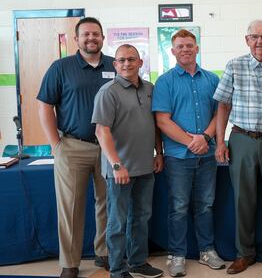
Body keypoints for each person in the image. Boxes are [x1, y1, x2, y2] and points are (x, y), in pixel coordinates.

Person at [213, 20, 262, 275]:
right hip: (242, 140)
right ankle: (244, 254)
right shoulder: (234, 66)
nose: (259, 41)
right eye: (254, 37)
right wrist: (219, 142)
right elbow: (223, 106)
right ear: (246, 40)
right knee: (243, 200)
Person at [36, 17, 113, 278]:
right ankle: (70, 262)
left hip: (109, 149)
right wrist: (56, 144)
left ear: (103, 38)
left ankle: (105, 253)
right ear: (77, 39)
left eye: (96, 34)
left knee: (108, 203)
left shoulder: (116, 65)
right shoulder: (61, 68)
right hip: (73, 146)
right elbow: (45, 106)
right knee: (70, 207)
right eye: (86, 35)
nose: (91, 38)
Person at [152, 29, 224, 276]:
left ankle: (206, 251)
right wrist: (192, 142)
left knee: (205, 205)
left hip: (207, 156)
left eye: (189, 45)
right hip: (178, 157)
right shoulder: (165, 81)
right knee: (179, 206)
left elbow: (220, 114)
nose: (185, 49)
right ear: (172, 51)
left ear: (197, 48)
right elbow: (162, 121)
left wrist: (205, 138)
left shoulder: (212, 79)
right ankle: (177, 255)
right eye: (180, 46)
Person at [92, 44, 164, 278]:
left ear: (140, 63)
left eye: (131, 59)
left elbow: (155, 125)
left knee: (141, 218)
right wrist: (116, 165)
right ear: (115, 64)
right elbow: (102, 131)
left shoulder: (150, 89)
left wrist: (159, 153)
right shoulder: (108, 91)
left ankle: (137, 262)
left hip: (145, 167)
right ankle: (117, 269)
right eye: (121, 60)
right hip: (119, 171)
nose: (126, 64)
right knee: (117, 222)